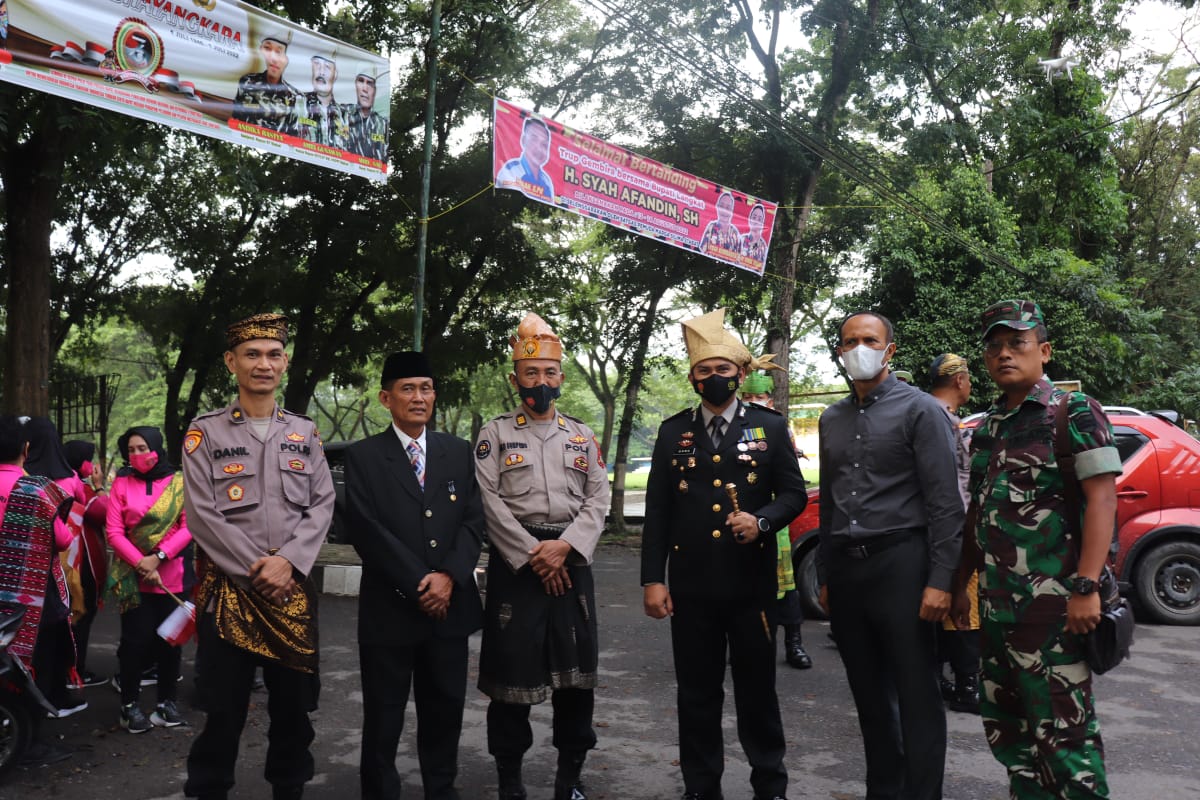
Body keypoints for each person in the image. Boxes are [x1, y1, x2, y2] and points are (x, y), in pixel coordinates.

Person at [953, 300, 1119, 798]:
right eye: (995, 346)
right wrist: (962, 583)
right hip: (997, 610)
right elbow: (976, 514)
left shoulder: (1073, 411)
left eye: (1017, 343)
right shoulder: (987, 428)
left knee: (1066, 739)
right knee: (1012, 737)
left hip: (1055, 612)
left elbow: (1103, 498)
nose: (1004, 354)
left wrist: (1086, 586)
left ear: (1043, 351)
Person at [642, 309, 807, 800]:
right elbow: (658, 513)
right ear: (692, 377)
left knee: (758, 692)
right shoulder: (673, 433)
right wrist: (653, 579)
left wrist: (760, 521)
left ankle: (770, 785)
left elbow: (794, 495)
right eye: (703, 370)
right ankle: (700, 787)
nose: (714, 378)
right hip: (691, 589)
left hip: (751, 588)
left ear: (740, 372)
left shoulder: (770, 428)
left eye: (723, 369)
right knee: (696, 695)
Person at [182, 313, 335, 800]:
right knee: (223, 712)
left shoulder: (304, 434)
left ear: (285, 363)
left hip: (291, 590)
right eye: (252, 354)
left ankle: (288, 790)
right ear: (232, 362)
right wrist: (260, 567)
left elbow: (322, 504)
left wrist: (288, 562)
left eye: (273, 354)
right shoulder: (204, 434)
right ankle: (209, 791)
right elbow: (203, 515)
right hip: (231, 593)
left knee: (293, 713)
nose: (263, 364)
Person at [815, 311, 964, 800]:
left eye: (869, 340)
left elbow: (945, 503)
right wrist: (828, 575)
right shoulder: (831, 418)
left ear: (889, 350)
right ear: (839, 350)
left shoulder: (922, 411)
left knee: (917, 694)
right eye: (849, 341)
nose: (859, 348)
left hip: (903, 563)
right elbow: (833, 503)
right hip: (849, 570)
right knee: (870, 698)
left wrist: (941, 580)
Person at [475, 312, 609, 800]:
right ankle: (509, 779)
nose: (541, 382)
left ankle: (569, 778)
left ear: (562, 377)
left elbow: (599, 497)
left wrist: (566, 547)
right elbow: (486, 501)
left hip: (571, 562)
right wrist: (535, 555)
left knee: (577, 679)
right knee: (512, 677)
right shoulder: (494, 434)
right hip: (519, 566)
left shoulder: (580, 435)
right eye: (531, 373)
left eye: (550, 372)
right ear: (516, 379)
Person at [345, 351, 485, 800]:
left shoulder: (458, 451)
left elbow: (472, 521)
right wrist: (420, 582)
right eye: (407, 389)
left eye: (425, 388)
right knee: (384, 716)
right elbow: (367, 529)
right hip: (390, 609)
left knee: (444, 710)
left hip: (449, 608)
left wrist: (448, 577)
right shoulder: (364, 456)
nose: (418, 397)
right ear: (386, 398)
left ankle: (440, 790)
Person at [104, 426, 192, 734]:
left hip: (173, 578)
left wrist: (160, 557)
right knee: (134, 644)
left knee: (170, 642)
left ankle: (166, 704)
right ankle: (129, 706)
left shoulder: (180, 482)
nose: (138, 455)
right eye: (131, 450)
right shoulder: (122, 483)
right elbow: (114, 532)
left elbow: (188, 526)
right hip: (134, 578)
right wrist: (141, 563)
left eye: (143, 448)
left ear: (157, 447)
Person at [0, 415, 74, 766]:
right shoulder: (36, 490)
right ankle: (29, 742)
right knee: (32, 666)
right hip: (29, 599)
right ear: (26, 450)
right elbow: (62, 539)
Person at [739, 371, 812, 670]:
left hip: (776, 519)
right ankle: (744, 641)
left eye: (759, 397)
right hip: (743, 518)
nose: (754, 402)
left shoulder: (781, 428)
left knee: (786, 584)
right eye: (748, 397)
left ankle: (794, 643)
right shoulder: (736, 427)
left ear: (770, 399)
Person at [23, 417, 89, 718]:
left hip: (16, 569)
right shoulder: (68, 478)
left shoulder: (20, 477)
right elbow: (72, 525)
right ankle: (56, 693)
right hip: (60, 563)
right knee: (55, 629)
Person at [927, 353, 979, 714]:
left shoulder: (943, 418)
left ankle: (944, 680)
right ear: (960, 380)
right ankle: (964, 685)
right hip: (950, 531)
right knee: (961, 608)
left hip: (944, 530)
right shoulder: (937, 419)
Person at [63, 439, 110, 687]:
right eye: (89, 459)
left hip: (70, 565)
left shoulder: (59, 481)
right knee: (81, 616)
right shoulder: (79, 489)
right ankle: (74, 671)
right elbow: (106, 512)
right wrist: (99, 486)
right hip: (82, 567)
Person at [232, 30, 301, 135]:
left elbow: (295, 134)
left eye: (278, 52)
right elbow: (236, 115)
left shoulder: (295, 96)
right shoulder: (247, 82)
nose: (273, 58)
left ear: (286, 59)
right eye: (268, 49)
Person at [298, 47, 349, 148]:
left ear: (335, 75)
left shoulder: (344, 115)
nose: (321, 72)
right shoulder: (298, 103)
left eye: (327, 67)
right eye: (317, 64)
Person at [496, 117, 555, 201]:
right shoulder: (511, 170)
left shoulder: (546, 181)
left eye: (544, 144)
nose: (539, 148)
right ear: (523, 140)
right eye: (534, 140)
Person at [344, 63, 388, 161]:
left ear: (375, 90)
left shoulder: (382, 124)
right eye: (361, 81)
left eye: (370, 83)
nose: (365, 89)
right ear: (355, 85)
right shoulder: (341, 114)